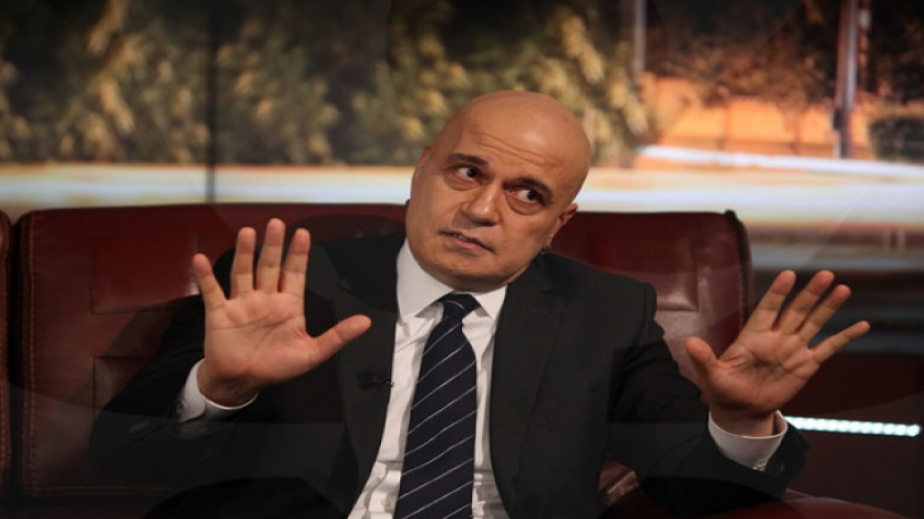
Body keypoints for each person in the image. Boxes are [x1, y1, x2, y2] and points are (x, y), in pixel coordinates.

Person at [90, 91, 870, 519]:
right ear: (422, 170)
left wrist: (741, 422)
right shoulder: (287, 282)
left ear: (558, 223)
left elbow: (697, 490)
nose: (483, 209)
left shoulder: (605, 313)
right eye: (467, 172)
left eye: (527, 194)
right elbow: (124, 457)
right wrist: (221, 387)